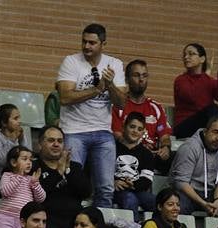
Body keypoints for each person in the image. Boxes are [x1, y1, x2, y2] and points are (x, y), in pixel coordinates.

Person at [55, 24, 124, 207]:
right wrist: (97, 89)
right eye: (84, 42)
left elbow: (121, 102)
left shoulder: (114, 64)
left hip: (103, 132)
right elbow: (65, 97)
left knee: (106, 188)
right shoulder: (71, 62)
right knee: (71, 182)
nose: (86, 46)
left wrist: (110, 85)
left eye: (92, 43)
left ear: (103, 44)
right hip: (73, 131)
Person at [32, 126, 91, 228]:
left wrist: (67, 170)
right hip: (47, 219)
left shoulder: (74, 167)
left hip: (74, 221)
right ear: (40, 144)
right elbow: (40, 194)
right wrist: (58, 172)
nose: (56, 144)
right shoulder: (33, 167)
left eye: (60, 141)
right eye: (51, 140)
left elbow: (86, 192)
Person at [112, 59, 173, 171]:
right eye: (136, 75)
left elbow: (164, 136)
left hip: (152, 157)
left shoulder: (156, 107)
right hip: (127, 155)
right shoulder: (118, 105)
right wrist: (140, 149)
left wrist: (165, 147)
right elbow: (118, 136)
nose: (141, 79)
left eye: (144, 76)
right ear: (127, 79)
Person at [169, 115, 218, 216]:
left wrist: (217, 201)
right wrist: (203, 203)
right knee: (178, 206)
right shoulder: (190, 147)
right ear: (205, 131)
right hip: (187, 193)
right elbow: (181, 182)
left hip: (211, 193)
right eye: (215, 132)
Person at [111, 111, 158, 212]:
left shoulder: (147, 154)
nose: (135, 131)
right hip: (116, 190)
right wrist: (113, 182)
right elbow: (102, 172)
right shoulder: (111, 148)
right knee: (130, 199)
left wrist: (133, 184)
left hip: (138, 190)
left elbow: (147, 179)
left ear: (143, 132)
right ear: (124, 127)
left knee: (158, 201)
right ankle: (133, 227)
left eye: (139, 129)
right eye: (132, 127)